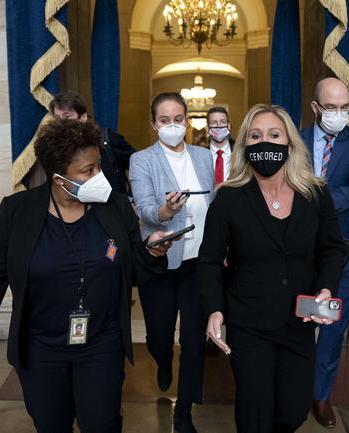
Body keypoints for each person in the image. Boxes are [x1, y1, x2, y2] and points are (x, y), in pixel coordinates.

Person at [0, 119, 175, 433]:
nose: (99, 177)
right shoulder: (16, 212)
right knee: (52, 425)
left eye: (99, 167)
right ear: (58, 179)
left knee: (103, 424)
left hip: (101, 343)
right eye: (88, 171)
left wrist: (152, 252)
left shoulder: (116, 206)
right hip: (40, 348)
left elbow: (133, 265)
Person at [198, 104, 347, 433]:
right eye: (255, 135)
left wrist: (325, 288)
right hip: (248, 323)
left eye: (274, 134)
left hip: (299, 323)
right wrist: (214, 310)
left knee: (293, 413)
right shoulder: (229, 199)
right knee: (255, 417)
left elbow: (333, 249)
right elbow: (209, 260)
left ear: (290, 144)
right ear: (246, 146)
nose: (265, 142)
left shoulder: (316, 194)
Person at [129, 92, 215, 433]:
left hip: (199, 264)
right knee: (159, 337)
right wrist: (168, 211)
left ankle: (185, 412)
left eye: (178, 119)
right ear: (154, 124)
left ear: (187, 120)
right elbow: (146, 209)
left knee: (194, 341)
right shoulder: (142, 160)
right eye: (164, 120)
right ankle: (163, 361)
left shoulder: (204, 156)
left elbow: (213, 203)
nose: (173, 126)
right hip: (160, 263)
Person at [300, 77, 349, 428]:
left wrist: (316, 200)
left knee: (330, 330)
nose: (339, 114)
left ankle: (321, 396)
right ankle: (291, 389)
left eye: (345, 107)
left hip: (343, 255)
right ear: (316, 108)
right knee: (297, 324)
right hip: (298, 255)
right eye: (331, 108)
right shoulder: (294, 139)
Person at [49, 91, 136, 195]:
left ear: (83, 117)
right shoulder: (55, 147)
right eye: (57, 118)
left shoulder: (108, 139)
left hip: (112, 206)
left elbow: (140, 168)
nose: (61, 122)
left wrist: (133, 200)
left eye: (67, 116)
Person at [205, 106, 234, 185]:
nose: (219, 126)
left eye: (223, 122)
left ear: (229, 126)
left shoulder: (241, 153)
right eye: (214, 122)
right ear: (207, 128)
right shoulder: (200, 156)